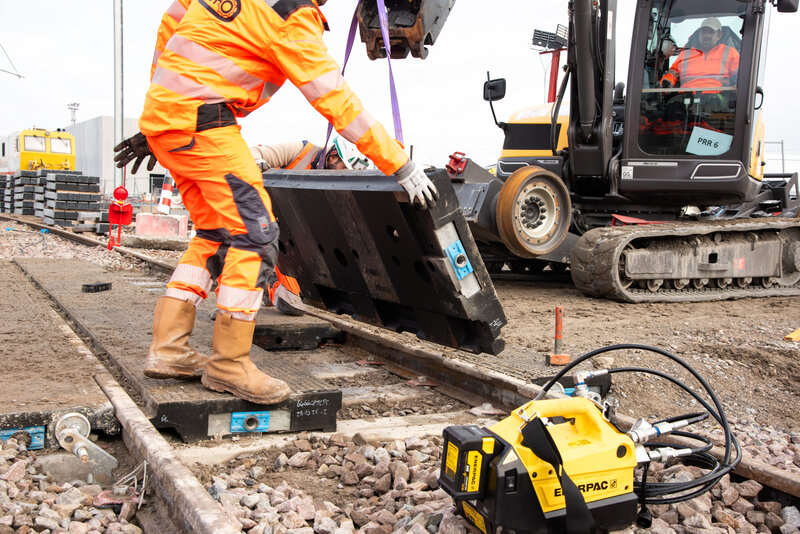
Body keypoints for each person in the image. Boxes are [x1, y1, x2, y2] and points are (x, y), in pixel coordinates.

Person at [113, 0, 439, 405]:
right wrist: (400, 164)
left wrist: (155, 108)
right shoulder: (291, 15)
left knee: (215, 233)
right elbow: (335, 99)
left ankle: (169, 349)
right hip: (204, 124)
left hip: (169, 123)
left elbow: (172, 23)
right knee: (255, 233)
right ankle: (229, 364)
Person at [660, 17, 739, 92]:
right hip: (686, 98)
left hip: (718, 98)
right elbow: (673, 73)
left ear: (719, 36)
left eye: (711, 32)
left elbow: (741, 76)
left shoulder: (729, 52)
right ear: (699, 34)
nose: (707, 36)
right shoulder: (686, 54)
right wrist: (667, 81)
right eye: (704, 32)